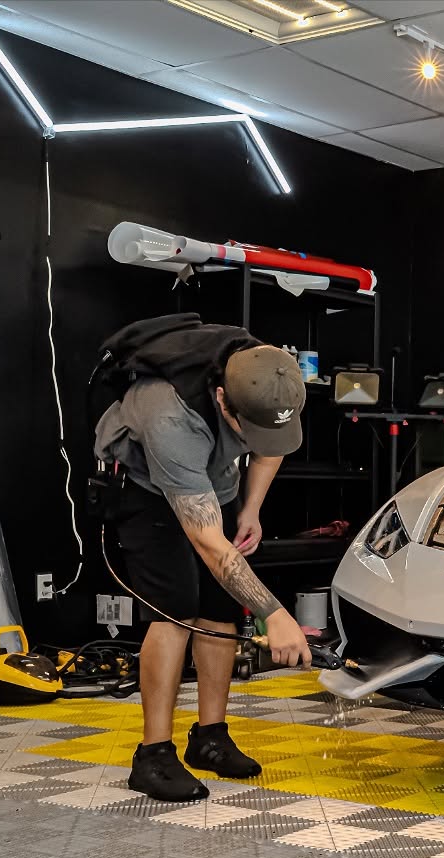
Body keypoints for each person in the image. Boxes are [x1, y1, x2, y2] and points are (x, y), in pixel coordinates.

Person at [94, 325, 312, 802]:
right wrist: (273, 613)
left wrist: (250, 506)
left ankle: (210, 738)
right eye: (245, 426)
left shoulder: (272, 379)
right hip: (146, 487)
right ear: (220, 397)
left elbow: (271, 442)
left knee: (220, 607)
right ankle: (152, 756)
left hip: (214, 483)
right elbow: (211, 544)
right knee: (176, 609)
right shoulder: (169, 414)